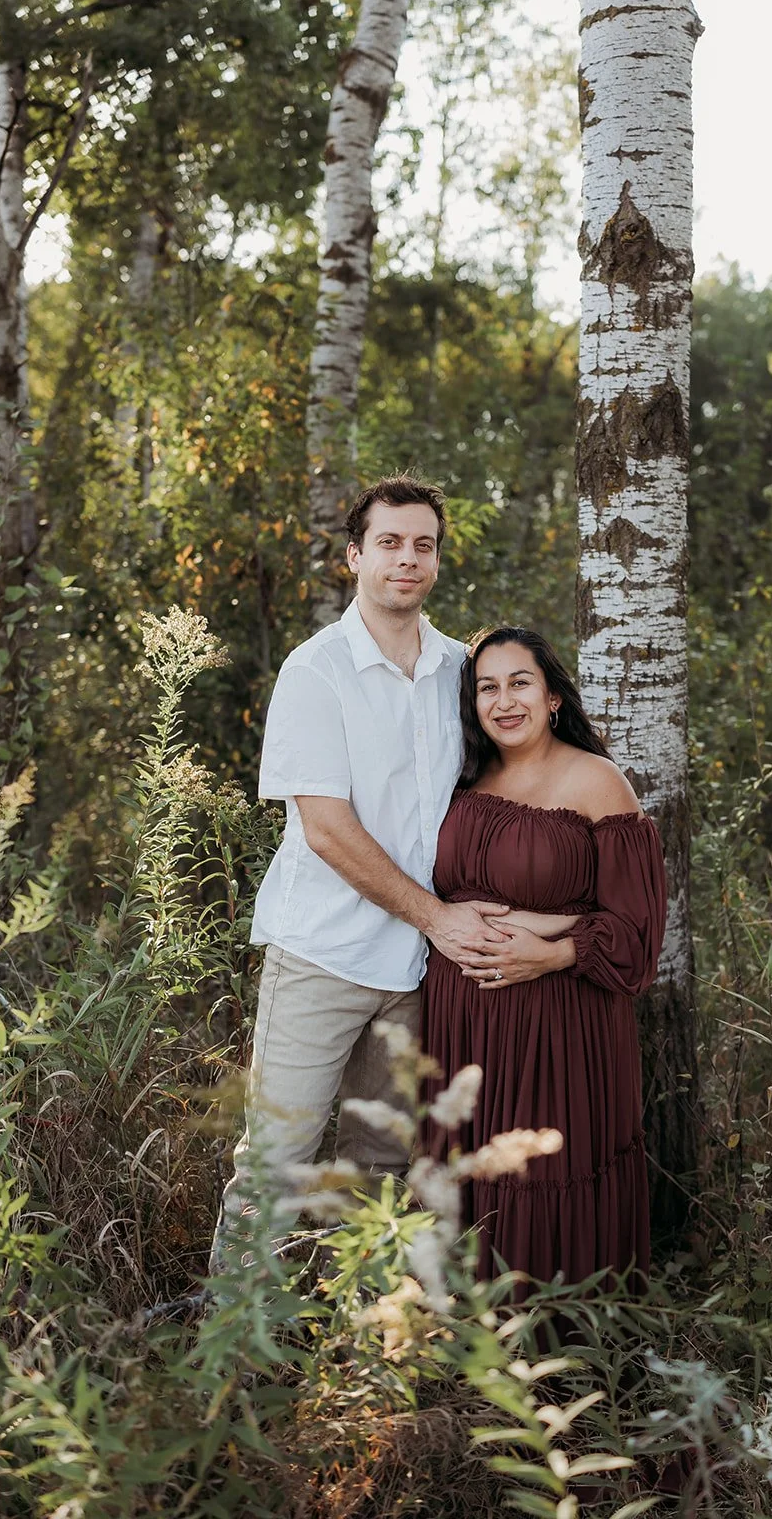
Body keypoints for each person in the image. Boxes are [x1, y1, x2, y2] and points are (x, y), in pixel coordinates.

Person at [215, 475, 517, 1261]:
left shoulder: (462, 671)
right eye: (388, 542)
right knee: (276, 1164)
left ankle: (356, 1349)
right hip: (323, 954)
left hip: (418, 971)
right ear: (355, 555)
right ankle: (233, 1362)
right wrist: (438, 918)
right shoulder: (315, 672)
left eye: (423, 545)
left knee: (381, 1164)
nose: (406, 559)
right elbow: (325, 829)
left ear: (438, 561)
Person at [419, 626, 667, 1289]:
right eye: (486, 688)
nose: (503, 700)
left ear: (552, 695)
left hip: (558, 1024)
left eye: (519, 683)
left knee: (543, 1172)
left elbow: (637, 935)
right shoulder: (462, 778)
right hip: (459, 1021)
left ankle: (555, 1350)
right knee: (464, 1168)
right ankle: (455, 1340)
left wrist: (551, 952)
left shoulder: (595, 781)